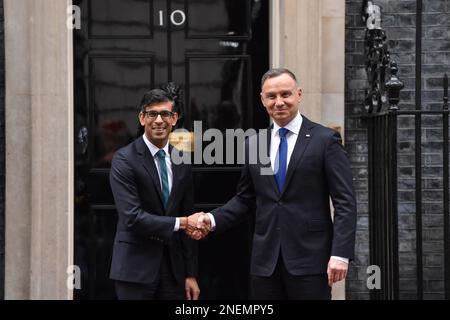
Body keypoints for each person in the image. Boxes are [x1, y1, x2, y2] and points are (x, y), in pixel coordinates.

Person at [192, 68, 357, 300]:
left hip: (310, 261)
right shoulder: (254, 143)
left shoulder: (325, 140)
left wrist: (340, 254)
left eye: (285, 94)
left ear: (298, 94)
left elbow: (345, 202)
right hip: (265, 263)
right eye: (271, 96)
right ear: (262, 100)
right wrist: (212, 219)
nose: (279, 102)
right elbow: (244, 199)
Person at [109, 88, 202, 300]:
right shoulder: (124, 160)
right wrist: (184, 222)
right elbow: (132, 217)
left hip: (173, 271)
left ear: (174, 118)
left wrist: (191, 274)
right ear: (142, 118)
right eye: (152, 114)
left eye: (166, 114)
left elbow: (186, 213)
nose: (159, 120)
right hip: (135, 269)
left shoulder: (182, 161)